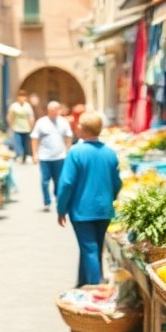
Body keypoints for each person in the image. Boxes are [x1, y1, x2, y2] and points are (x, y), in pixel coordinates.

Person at [56, 111, 121, 287]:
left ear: (83, 129)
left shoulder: (76, 152)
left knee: (89, 249)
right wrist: (110, 198)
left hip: (82, 210)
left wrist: (61, 209)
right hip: (104, 209)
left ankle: (95, 287)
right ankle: (83, 283)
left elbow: (66, 184)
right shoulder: (110, 153)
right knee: (94, 248)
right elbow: (117, 183)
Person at [32, 101, 73, 211]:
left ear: (59, 109)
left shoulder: (64, 122)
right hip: (44, 156)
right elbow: (34, 138)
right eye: (51, 109)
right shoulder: (41, 122)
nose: (54, 111)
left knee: (58, 180)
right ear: (48, 110)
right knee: (45, 181)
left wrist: (68, 151)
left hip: (60, 156)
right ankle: (46, 202)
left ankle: (58, 199)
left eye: (56, 109)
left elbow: (69, 136)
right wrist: (35, 153)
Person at [7, 90, 35, 163]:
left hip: (26, 127)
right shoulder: (14, 106)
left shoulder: (27, 106)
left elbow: (31, 117)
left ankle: (25, 156)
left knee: (26, 144)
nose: (22, 98)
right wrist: (10, 125)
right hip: (17, 127)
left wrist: (32, 127)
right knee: (18, 142)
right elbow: (10, 116)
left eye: (23, 96)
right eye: (21, 96)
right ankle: (20, 155)